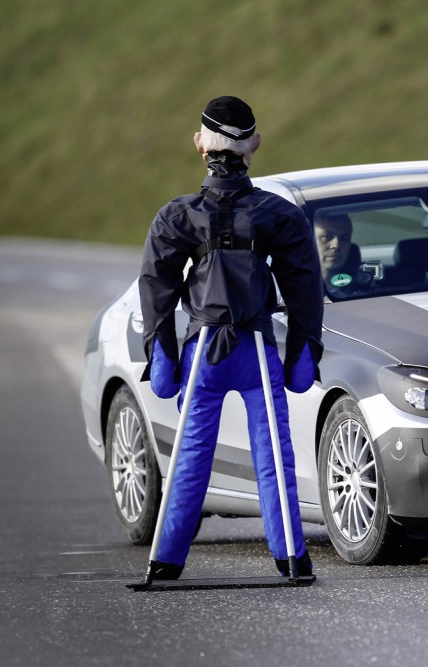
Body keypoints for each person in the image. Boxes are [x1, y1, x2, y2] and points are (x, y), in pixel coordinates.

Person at [137, 96, 324, 581]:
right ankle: (291, 558)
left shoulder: (175, 217)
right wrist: (304, 352)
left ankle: (167, 560)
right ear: (254, 146)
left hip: (203, 355)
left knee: (192, 452)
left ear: (199, 145)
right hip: (257, 350)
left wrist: (163, 354)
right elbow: (303, 286)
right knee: (274, 454)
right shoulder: (279, 216)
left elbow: (156, 286)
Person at [314, 212, 356, 284]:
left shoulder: (361, 292)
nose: (336, 245)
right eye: (326, 237)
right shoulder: (294, 288)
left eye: (344, 238)